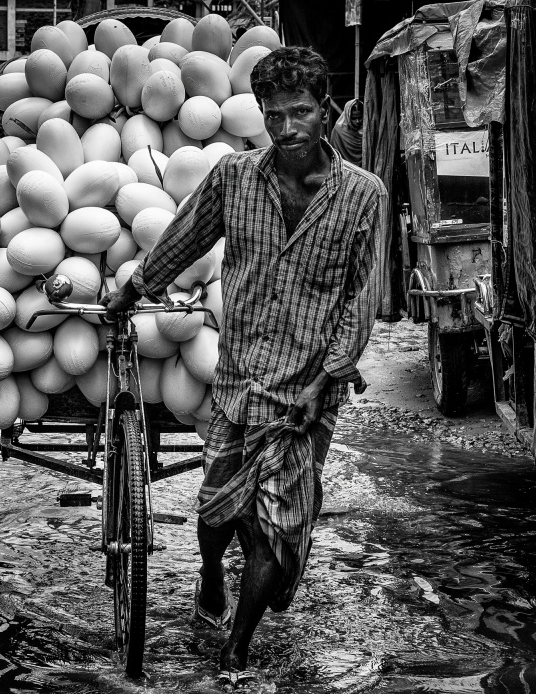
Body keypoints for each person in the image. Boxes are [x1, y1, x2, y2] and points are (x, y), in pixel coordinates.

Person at [99, 46, 388, 683]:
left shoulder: (365, 196)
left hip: (306, 390)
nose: (288, 129)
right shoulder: (234, 177)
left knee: (274, 531)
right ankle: (209, 575)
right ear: (260, 114)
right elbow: (184, 235)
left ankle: (238, 645)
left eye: (302, 113)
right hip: (238, 381)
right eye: (275, 115)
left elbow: (363, 297)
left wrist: (329, 376)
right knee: (215, 513)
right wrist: (134, 288)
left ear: (326, 111)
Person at [329, 98, 364, 165]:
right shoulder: (339, 131)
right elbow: (334, 154)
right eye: (353, 118)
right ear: (348, 116)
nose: (357, 121)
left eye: (360, 117)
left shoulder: (368, 130)